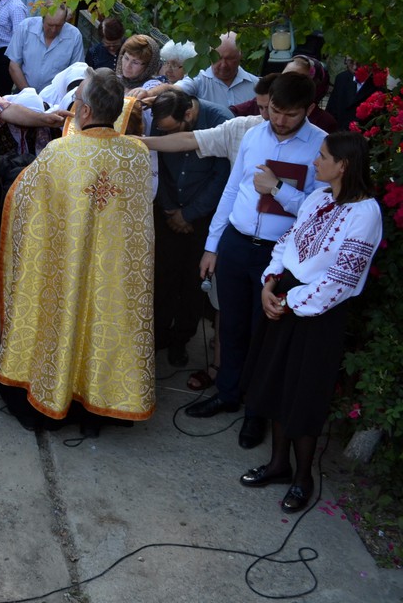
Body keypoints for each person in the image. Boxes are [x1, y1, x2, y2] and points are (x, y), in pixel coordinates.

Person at [0, 68, 155, 435]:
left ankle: (56, 393)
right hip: (115, 272)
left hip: (67, 265)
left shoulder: (60, 152)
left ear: (83, 112)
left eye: (76, 100)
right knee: (106, 321)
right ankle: (102, 400)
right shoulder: (137, 156)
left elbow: (24, 204)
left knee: (64, 319)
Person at [239, 131, 381, 514]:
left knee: (304, 396)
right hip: (287, 299)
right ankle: (278, 465)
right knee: (278, 387)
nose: (315, 162)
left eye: (322, 156)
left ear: (343, 165)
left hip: (317, 315)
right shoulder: (319, 198)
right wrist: (270, 280)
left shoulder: (365, 213)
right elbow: (288, 240)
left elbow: (341, 280)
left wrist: (288, 301)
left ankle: (303, 478)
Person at [186, 72, 326, 451]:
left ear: (309, 110)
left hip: (278, 254)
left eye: (290, 115)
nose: (279, 120)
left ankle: (256, 413)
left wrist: (280, 191)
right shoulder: (254, 134)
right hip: (236, 242)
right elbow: (234, 189)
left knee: (264, 335)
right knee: (230, 325)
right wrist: (213, 245)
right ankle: (228, 393)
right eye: (275, 111)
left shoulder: (321, 148)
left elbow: (319, 211)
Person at [147, 88, 233, 367]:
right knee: (163, 277)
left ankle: (181, 339)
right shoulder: (160, 120)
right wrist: (171, 209)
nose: (167, 136)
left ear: (188, 114)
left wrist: (190, 214)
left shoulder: (221, 120)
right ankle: (158, 336)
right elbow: (156, 165)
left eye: (174, 131)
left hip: (202, 217)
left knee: (193, 282)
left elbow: (223, 177)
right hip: (168, 211)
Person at [6, 4, 86, 92]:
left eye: (59, 25)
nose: (54, 30)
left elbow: (76, 72)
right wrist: (29, 94)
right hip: (23, 91)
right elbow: (14, 66)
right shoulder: (25, 27)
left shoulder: (74, 36)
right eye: (50, 25)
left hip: (55, 98)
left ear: (65, 21)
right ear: (42, 19)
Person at [174, 32, 258, 108]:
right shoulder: (199, 79)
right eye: (218, 58)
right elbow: (174, 91)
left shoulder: (255, 84)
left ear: (240, 56)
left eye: (230, 58)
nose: (223, 65)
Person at [327, 60, 385, 131]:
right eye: (351, 62)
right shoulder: (341, 78)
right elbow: (331, 110)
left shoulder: (379, 85)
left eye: (359, 63)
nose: (355, 67)